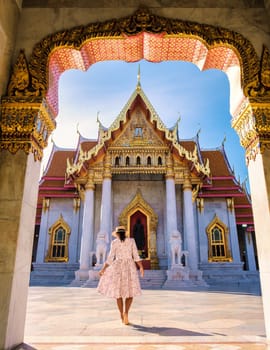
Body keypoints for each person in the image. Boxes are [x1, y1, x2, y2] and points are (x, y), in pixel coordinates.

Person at [97, 226, 144, 325]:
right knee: (130, 292)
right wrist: (141, 267)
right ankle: (126, 312)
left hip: (117, 266)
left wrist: (103, 269)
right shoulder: (131, 241)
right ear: (125, 233)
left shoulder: (115, 242)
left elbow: (110, 258)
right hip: (129, 267)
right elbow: (136, 255)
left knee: (118, 294)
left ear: (117, 234)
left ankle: (121, 315)